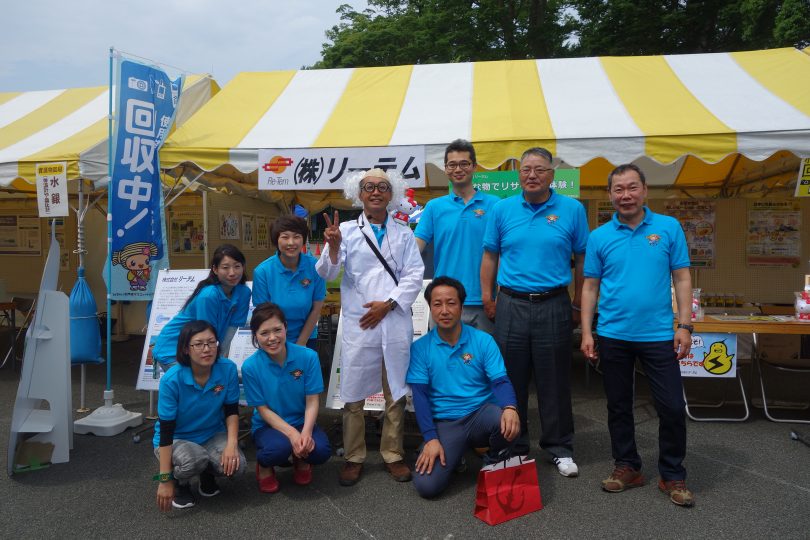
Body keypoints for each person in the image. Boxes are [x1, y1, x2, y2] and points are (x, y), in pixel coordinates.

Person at [580, 163, 695, 507]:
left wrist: (685, 325)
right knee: (618, 406)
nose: (625, 195)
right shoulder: (599, 236)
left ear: (645, 190)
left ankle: (672, 474)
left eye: (632, 188)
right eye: (618, 189)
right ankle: (627, 465)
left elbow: (682, 278)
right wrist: (587, 332)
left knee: (672, 406)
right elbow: (589, 287)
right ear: (610, 194)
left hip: (659, 334)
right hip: (613, 333)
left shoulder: (668, 228)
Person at [481, 147, 589, 477]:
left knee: (554, 378)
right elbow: (489, 257)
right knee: (509, 379)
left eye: (540, 169)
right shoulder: (502, 209)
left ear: (552, 175)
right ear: (519, 174)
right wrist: (488, 298)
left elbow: (583, 261)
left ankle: (559, 446)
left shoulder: (572, 210)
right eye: (526, 169)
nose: (532, 175)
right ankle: (513, 444)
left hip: (554, 303)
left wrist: (577, 302)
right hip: (510, 303)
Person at [316, 168, 425, 487]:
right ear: (359, 194)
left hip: (392, 319)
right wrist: (333, 247)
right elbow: (326, 271)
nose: (375, 192)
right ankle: (354, 455)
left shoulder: (404, 233)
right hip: (360, 322)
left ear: (392, 195)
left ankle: (393, 452)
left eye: (382, 187)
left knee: (395, 391)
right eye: (368, 187)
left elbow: (414, 275)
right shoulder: (346, 230)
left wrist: (388, 304)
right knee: (352, 392)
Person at [408, 277, 520, 498]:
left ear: (461, 305)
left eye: (451, 303)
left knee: (507, 419)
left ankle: (493, 462)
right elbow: (419, 397)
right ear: (430, 307)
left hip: (480, 414)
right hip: (446, 423)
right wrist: (431, 439)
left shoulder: (483, 340)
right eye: (437, 304)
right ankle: (453, 452)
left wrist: (510, 407)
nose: (445, 310)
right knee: (427, 487)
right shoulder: (420, 349)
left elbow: (500, 381)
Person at [154, 321, 245, 511]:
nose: (207, 349)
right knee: (193, 460)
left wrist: (231, 444)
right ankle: (182, 483)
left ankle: (207, 475)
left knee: (238, 465)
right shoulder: (172, 379)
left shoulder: (227, 369)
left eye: (212, 342)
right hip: (177, 438)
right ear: (186, 349)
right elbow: (166, 430)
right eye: (199, 344)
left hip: (212, 433)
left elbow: (231, 411)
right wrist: (165, 479)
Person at [241, 303, 331, 493]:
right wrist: (292, 434)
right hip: (269, 426)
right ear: (255, 335)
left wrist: (305, 433)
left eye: (277, 330)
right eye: (264, 333)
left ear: (286, 328)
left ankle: (301, 459)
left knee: (321, 451)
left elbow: (313, 400)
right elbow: (262, 410)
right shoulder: (250, 367)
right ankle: (264, 467)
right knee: (277, 451)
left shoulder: (308, 357)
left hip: (301, 421)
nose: (272, 338)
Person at [414, 139, 499, 333]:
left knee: (482, 361)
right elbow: (415, 247)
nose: (458, 169)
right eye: (452, 164)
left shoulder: (494, 205)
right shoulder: (435, 207)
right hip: (446, 300)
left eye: (464, 163)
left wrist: (497, 297)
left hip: (484, 301)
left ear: (474, 167)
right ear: (445, 169)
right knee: (444, 360)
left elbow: (503, 253)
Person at [151, 244, 251, 367]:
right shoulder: (209, 295)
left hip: (201, 348)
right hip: (173, 350)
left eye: (237, 266)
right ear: (215, 269)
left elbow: (230, 332)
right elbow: (205, 336)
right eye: (225, 267)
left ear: (243, 267)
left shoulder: (244, 292)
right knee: (197, 383)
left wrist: (220, 361)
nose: (232, 273)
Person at [252, 215, 326, 350]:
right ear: (276, 240)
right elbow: (263, 315)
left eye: (297, 236)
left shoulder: (315, 266)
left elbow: (316, 308)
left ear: (303, 239)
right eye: (285, 237)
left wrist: (301, 344)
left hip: (307, 339)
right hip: (273, 341)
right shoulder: (263, 272)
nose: (291, 242)